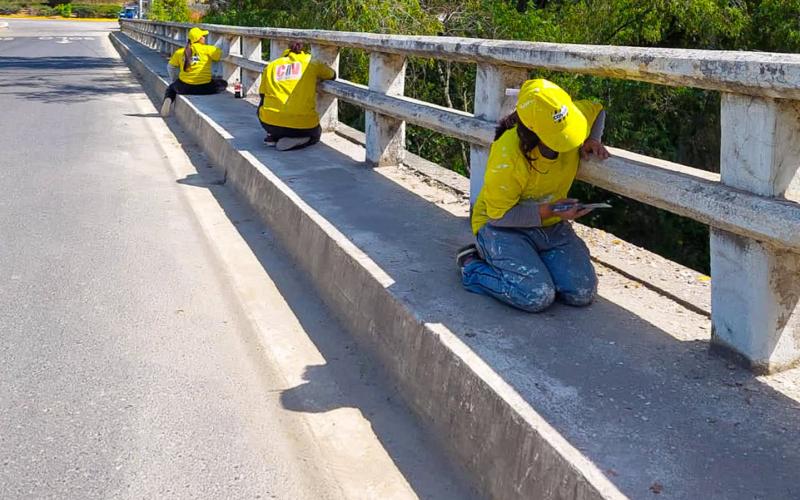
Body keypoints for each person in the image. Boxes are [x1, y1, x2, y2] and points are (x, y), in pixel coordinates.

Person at [457, 78, 610, 313]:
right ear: (534, 132)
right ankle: (472, 266)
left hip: (550, 226)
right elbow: (498, 216)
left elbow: (597, 110)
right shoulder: (509, 154)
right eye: (561, 137)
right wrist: (550, 210)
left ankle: (531, 263)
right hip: (501, 227)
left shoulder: (564, 114)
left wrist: (592, 139)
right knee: (536, 295)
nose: (569, 140)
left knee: (581, 291)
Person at [257, 42, 336, 151]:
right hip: (301, 125)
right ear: (303, 50)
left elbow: (262, 95)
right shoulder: (311, 62)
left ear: (287, 50)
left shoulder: (271, 66)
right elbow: (332, 75)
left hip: (269, 123)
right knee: (316, 133)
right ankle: (298, 139)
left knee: (264, 106)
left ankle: (273, 135)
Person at [160, 27, 227, 117]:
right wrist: (226, 40)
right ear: (199, 39)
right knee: (223, 83)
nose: (204, 38)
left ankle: (168, 99)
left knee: (171, 88)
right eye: (203, 36)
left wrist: (176, 80)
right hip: (205, 88)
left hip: (184, 88)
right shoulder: (208, 49)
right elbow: (224, 54)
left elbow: (171, 67)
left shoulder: (180, 52)